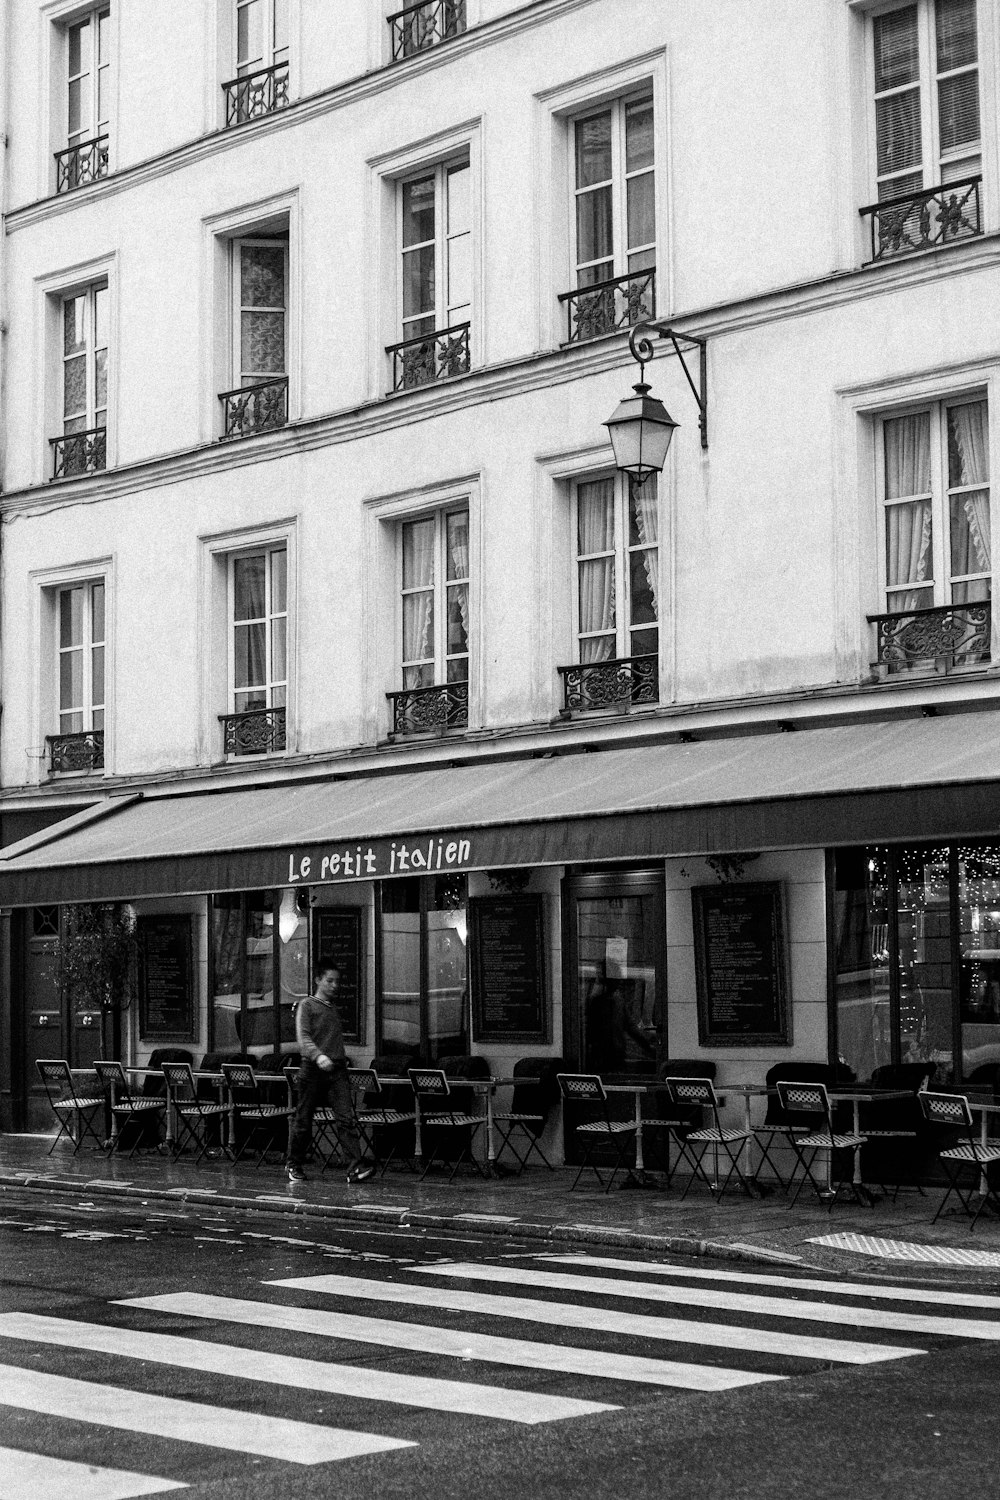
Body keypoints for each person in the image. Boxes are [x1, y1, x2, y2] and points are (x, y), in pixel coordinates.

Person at [287, 965, 375, 1184]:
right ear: (318, 980)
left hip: (336, 1070)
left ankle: (355, 1167)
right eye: (330, 981)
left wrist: (337, 1059)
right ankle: (293, 1163)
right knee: (304, 1118)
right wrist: (318, 1056)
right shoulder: (307, 1006)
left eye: (337, 981)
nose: (335, 986)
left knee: (346, 1118)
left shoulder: (332, 1008)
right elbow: (303, 1038)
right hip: (313, 1069)